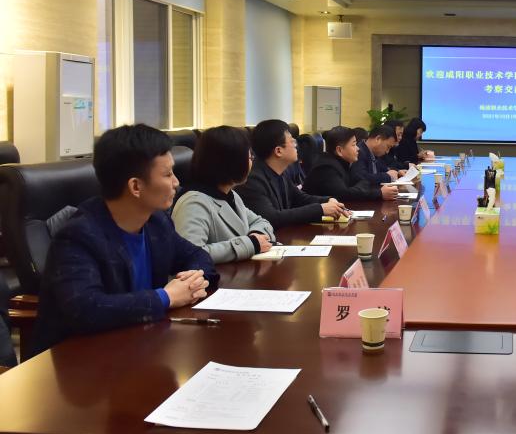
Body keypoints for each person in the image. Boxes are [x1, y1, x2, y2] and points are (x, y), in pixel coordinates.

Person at [33, 124, 217, 355]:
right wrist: (166, 297)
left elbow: (197, 255)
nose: (176, 182)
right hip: (77, 360)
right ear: (136, 186)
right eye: (168, 174)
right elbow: (87, 309)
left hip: (141, 345)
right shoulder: (78, 237)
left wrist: (193, 281)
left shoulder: (156, 222)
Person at [172, 126, 275, 264]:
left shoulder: (230, 194)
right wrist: (250, 244)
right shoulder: (194, 202)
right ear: (231, 162)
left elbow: (260, 222)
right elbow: (190, 254)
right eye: (249, 157)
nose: (251, 162)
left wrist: (257, 236)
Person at [235, 119, 347, 230]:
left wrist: (328, 201)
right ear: (278, 151)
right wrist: (320, 209)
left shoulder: (280, 172)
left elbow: (299, 198)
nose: (296, 145)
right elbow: (272, 218)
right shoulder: (253, 180)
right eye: (292, 141)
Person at [304, 126, 400, 202]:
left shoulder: (342, 162)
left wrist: (362, 184)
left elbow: (358, 184)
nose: (358, 148)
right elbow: (344, 195)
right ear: (339, 150)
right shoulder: (327, 167)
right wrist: (379, 193)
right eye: (353, 145)